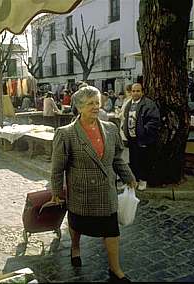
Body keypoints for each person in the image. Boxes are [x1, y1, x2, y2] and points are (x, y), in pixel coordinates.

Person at [50, 86, 137, 282]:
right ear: (79, 107)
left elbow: (117, 158)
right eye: (90, 103)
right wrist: (56, 190)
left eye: (97, 102)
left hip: (106, 191)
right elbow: (57, 167)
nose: (96, 107)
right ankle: (75, 247)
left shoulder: (111, 128)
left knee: (111, 230)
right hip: (82, 192)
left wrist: (128, 177)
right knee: (77, 224)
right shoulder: (66, 133)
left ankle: (115, 269)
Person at [122, 83, 161, 191]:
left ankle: (143, 180)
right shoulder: (129, 104)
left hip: (143, 139)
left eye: (138, 91)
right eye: (133, 91)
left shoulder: (148, 104)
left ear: (142, 92)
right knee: (133, 161)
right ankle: (135, 181)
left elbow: (154, 121)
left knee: (144, 161)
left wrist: (143, 131)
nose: (135, 93)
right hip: (132, 138)